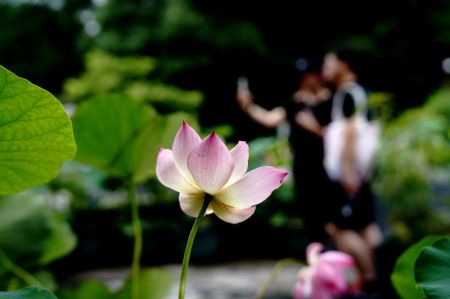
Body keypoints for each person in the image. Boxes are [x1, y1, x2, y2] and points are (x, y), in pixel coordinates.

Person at [236, 58, 332, 244]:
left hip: (325, 163)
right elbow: (270, 119)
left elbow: (337, 136)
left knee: (326, 208)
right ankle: (315, 250)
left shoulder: (331, 101)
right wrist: (249, 106)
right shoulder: (295, 103)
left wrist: (315, 128)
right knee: (306, 207)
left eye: (309, 76)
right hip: (302, 163)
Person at [320, 47, 383, 291]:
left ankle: (368, 278)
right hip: (361, 173)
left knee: (339, 227)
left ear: (344, 64)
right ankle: (372, 279)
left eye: (329, 62)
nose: (326, 69)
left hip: (348, 174)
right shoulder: (361, 92)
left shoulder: (347, 93)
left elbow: (349, 131)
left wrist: (346, 172)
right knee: (365, 226)